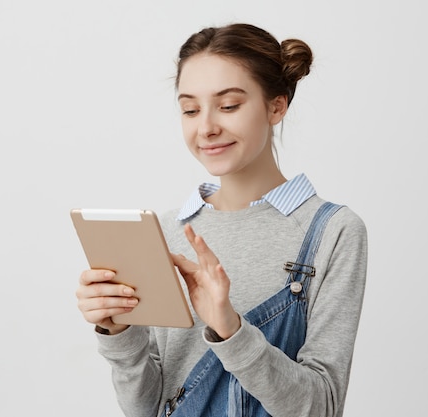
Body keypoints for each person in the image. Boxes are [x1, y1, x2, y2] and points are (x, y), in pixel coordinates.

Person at [75, 22, 368, 417]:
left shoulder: (333, 231)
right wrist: (118, 331)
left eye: (229, 105)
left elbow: (320, 407)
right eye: (190, 110)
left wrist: (230, 328)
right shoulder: (167, 231)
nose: (207, 127)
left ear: (276, 105)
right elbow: (145, 408)